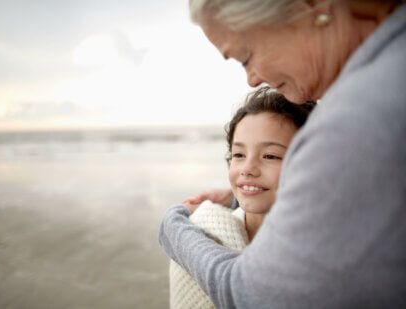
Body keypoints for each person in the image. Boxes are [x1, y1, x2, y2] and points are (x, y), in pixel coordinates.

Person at [159, 0, 406, 308]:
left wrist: (173, 226)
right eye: (238, 154)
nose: (251, 78)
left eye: (246, 56)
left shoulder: (358, 118)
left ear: (311, 6)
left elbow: (251, 295)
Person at [169, 87, 316, 308]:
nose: (247, 169)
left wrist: (172, 220)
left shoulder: (322, 251)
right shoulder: (206, 228)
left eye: (270, 156)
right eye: (239, 154)